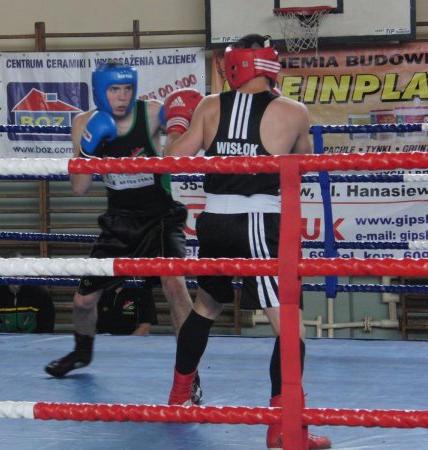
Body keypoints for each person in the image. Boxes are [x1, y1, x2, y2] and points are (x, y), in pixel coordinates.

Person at [163, 34, 331, 449]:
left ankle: (178, 399)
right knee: (289, 325)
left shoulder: (208, 106)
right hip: (259, 222)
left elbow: (172, 157)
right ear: (271, 66)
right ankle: (282, 427)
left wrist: (178, 125)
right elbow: (306, 161)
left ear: (232, 66)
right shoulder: (293, 111)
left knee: (206, 306)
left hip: (213, 221)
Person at [44, 61, 201, 403]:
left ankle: (189, 374)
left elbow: (186, 143)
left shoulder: (153, 113)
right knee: (83, 301)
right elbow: (79, 188)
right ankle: (82, 352)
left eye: (127, 89)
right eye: (114, 89)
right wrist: (88, 147)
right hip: (119, 222)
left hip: (161, 217)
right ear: (100, 91)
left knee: (175, 286)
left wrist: (183, 122)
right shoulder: (83, 123)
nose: (122, 96)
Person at [0, 251, 55, 333]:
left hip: (33, 341)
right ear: (3, 272)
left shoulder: (41, 295)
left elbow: (46, 329)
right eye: (10, 269)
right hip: (3, 341)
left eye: (18, 268)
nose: (15, 274)